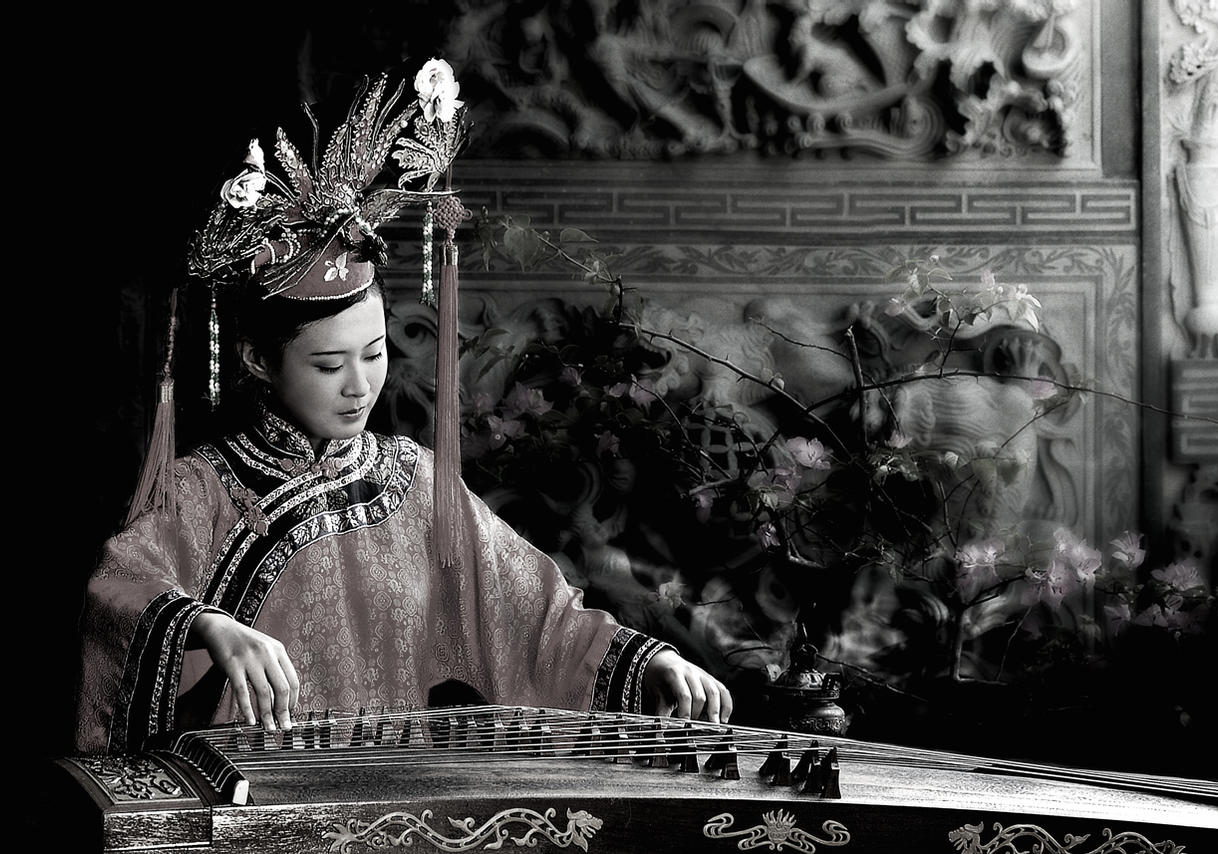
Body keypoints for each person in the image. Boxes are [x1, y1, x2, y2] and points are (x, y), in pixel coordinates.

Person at [73, 58, 731, 754]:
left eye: (375, 353)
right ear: (258, 360)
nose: (361, 385)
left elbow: (536, 615)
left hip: (389, 793)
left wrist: (649, 663)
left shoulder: (414, 484)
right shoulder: (203, 489)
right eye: (329, 365)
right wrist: (208, 625)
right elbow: (120, 590)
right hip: (251, 794)